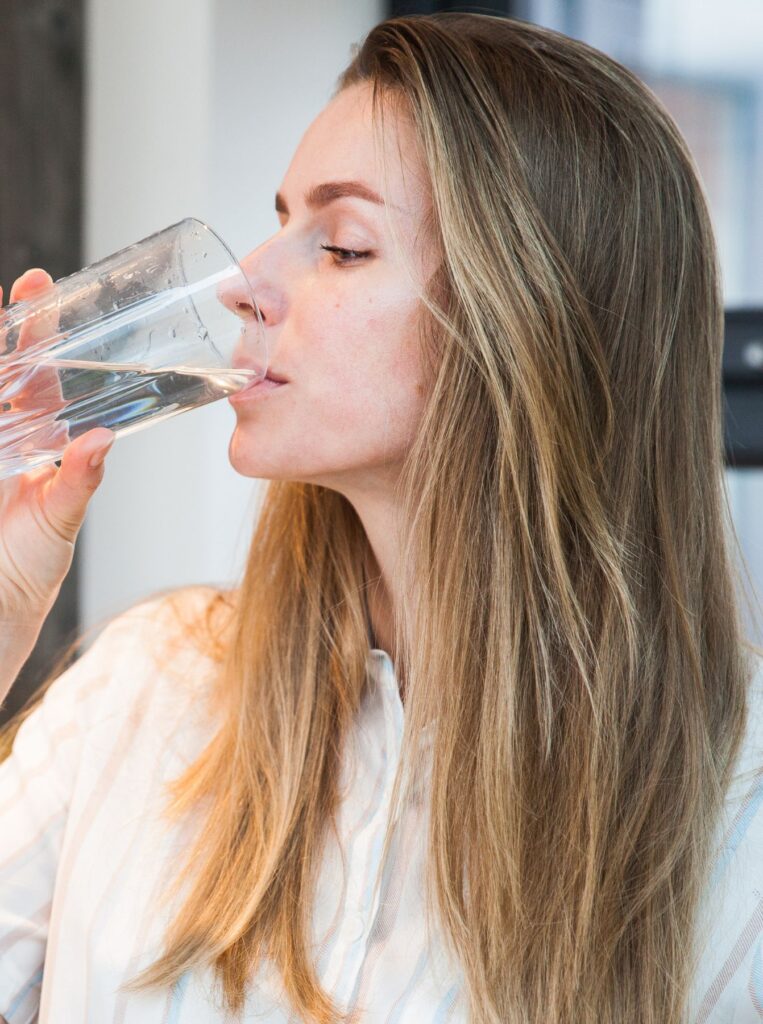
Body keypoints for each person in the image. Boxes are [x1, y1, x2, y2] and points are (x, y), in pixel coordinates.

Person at [1, 11, 762, 1024]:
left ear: (528, 324)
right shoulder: (142, 692)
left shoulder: (731, 810)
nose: (244, 286)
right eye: (281, 221)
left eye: (343, 246)